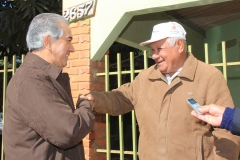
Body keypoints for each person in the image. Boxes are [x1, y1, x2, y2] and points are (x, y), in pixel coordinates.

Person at [81, 22, 240, 159]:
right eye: (153, 50)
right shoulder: (145, 77)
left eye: (159, 49)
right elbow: (120, 98)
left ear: (179, 45)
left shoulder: (209, 77)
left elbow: (226, 132)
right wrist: (94, 99)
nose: (155, 56)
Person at [3, 13, 95, 160]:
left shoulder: (43, 77)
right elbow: (68, 131)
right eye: (68, 40)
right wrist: (86, 105)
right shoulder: (31, 80)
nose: (72, 49)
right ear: (48, 42)